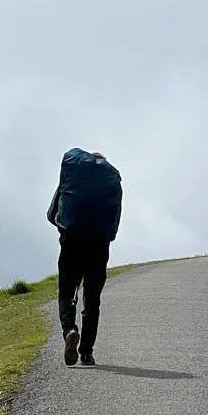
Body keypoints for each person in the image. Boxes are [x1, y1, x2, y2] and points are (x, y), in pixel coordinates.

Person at [46, 148, 122, 367]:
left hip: (71, 242)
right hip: (99, 246)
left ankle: (70, 330)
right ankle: (87, 353)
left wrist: (66, 228)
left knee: (66, 293)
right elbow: (114, 221)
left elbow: (52, 214)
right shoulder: (112, 183)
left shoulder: (71, 179)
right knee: (92, 300)